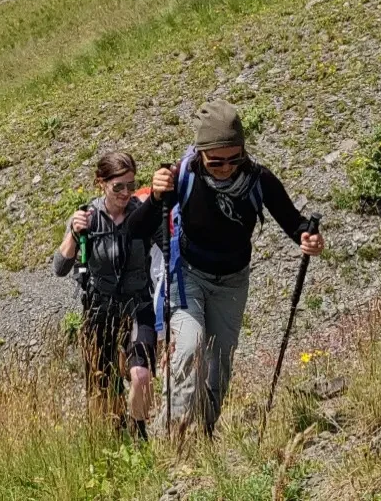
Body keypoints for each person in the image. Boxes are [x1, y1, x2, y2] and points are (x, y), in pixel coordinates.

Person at [126, 100, 323, 436]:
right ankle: (172, 438)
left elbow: (294, 222)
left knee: (219, 365)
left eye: (234, 159)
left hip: (233, 282)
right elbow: (135, 229)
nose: (226, 168)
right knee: (188, 347)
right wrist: (157, 197)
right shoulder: (182, 176)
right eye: (216, 161)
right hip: (187, 275)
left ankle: (203, 433)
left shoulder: (259, 179)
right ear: (201, 153)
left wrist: (308, 237)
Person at [52, 151, 159, 438]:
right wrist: (74, 235)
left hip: (139, 305)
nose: (126, 193)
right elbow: (60, 268)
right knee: (103, 388)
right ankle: (117, 434)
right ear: (101, 183)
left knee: (141, 375)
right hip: (100, 310)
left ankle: (139, 434)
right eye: (118, 186)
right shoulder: (87, 218)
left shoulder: (143, 213)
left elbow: (173, 249)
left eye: (131, 185)